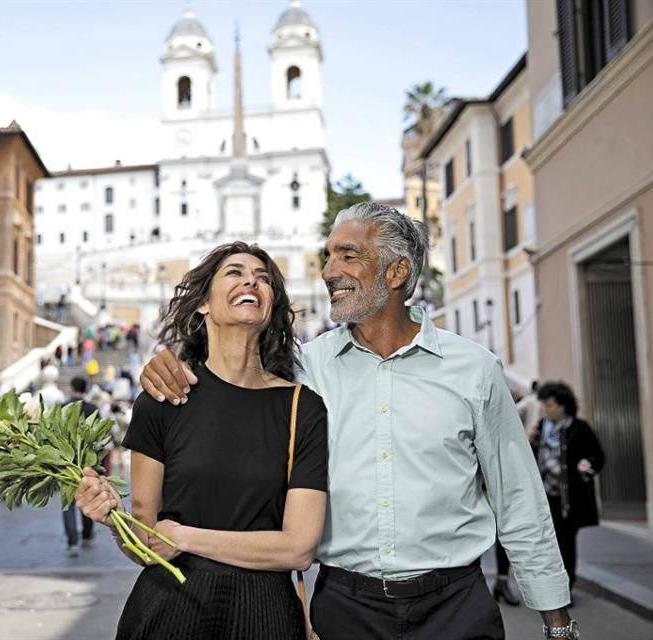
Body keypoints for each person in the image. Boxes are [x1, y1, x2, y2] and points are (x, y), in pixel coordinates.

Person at [138, 203, 578, 640]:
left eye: (348, 255)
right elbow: (233, 373)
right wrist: (173, 363)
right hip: (345, 611)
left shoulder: (474, 370)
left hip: (456, 609)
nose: (329, 271)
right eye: (328, 256)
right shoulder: (303, 370)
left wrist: (558, 626)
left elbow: (519, 498)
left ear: (396, 272)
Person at [77, 242, 328, 640]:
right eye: (234, 272)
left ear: (270, 306)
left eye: (263, 278)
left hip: (266, 617)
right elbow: (146, 544)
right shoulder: (160, 401)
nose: (251, 280)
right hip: (168, 612)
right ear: (202, 304)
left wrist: (185, 537)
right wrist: (112, 517)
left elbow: (298, 548)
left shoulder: (303, 408)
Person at [530, 381, 605, 598]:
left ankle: (565, 589)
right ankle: (548, 588)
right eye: (544, 405)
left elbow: (598, 456)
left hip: (568, 499)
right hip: (544, 497)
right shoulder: (540, 429)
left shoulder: (579, 428)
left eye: (550, 405)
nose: (546, 409)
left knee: (565, 544)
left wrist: (587, 464)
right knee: (545, 546)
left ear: (564, 405)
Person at [62, 377, 97, 557]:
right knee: (87, 497)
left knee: (68, 502)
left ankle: (72, 540)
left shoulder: (63, 407)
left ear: (71, 387)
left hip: (66, 460)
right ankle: (87, 532)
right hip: (87, 460)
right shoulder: (92, 408)